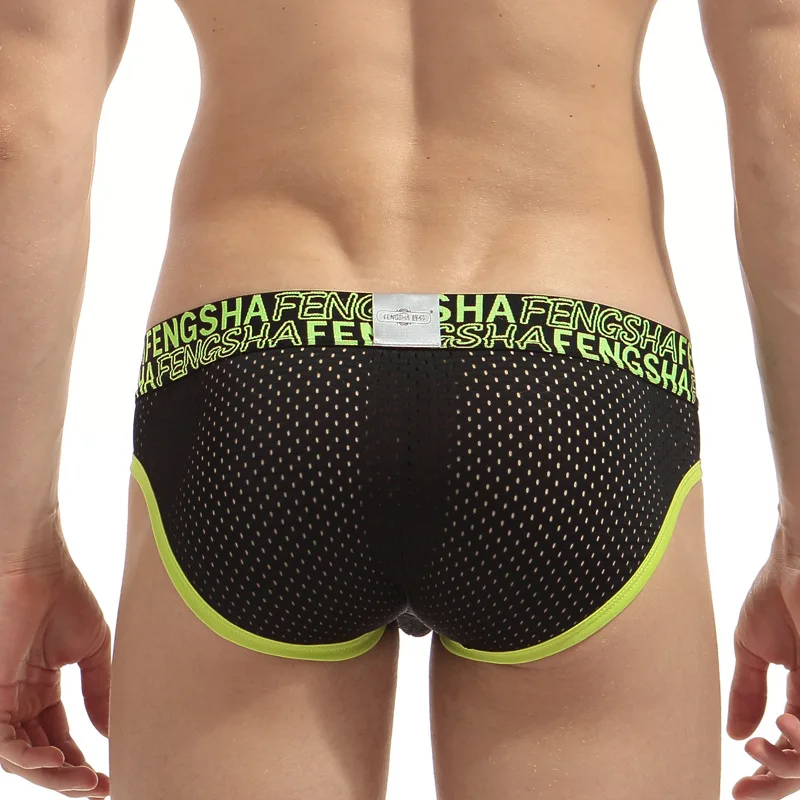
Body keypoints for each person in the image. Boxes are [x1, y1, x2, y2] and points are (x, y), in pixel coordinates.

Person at [0, 0, 798, 797]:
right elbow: (786, 121)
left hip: (259, 369)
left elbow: (23, 131)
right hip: (570, 369)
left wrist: (14, 556)